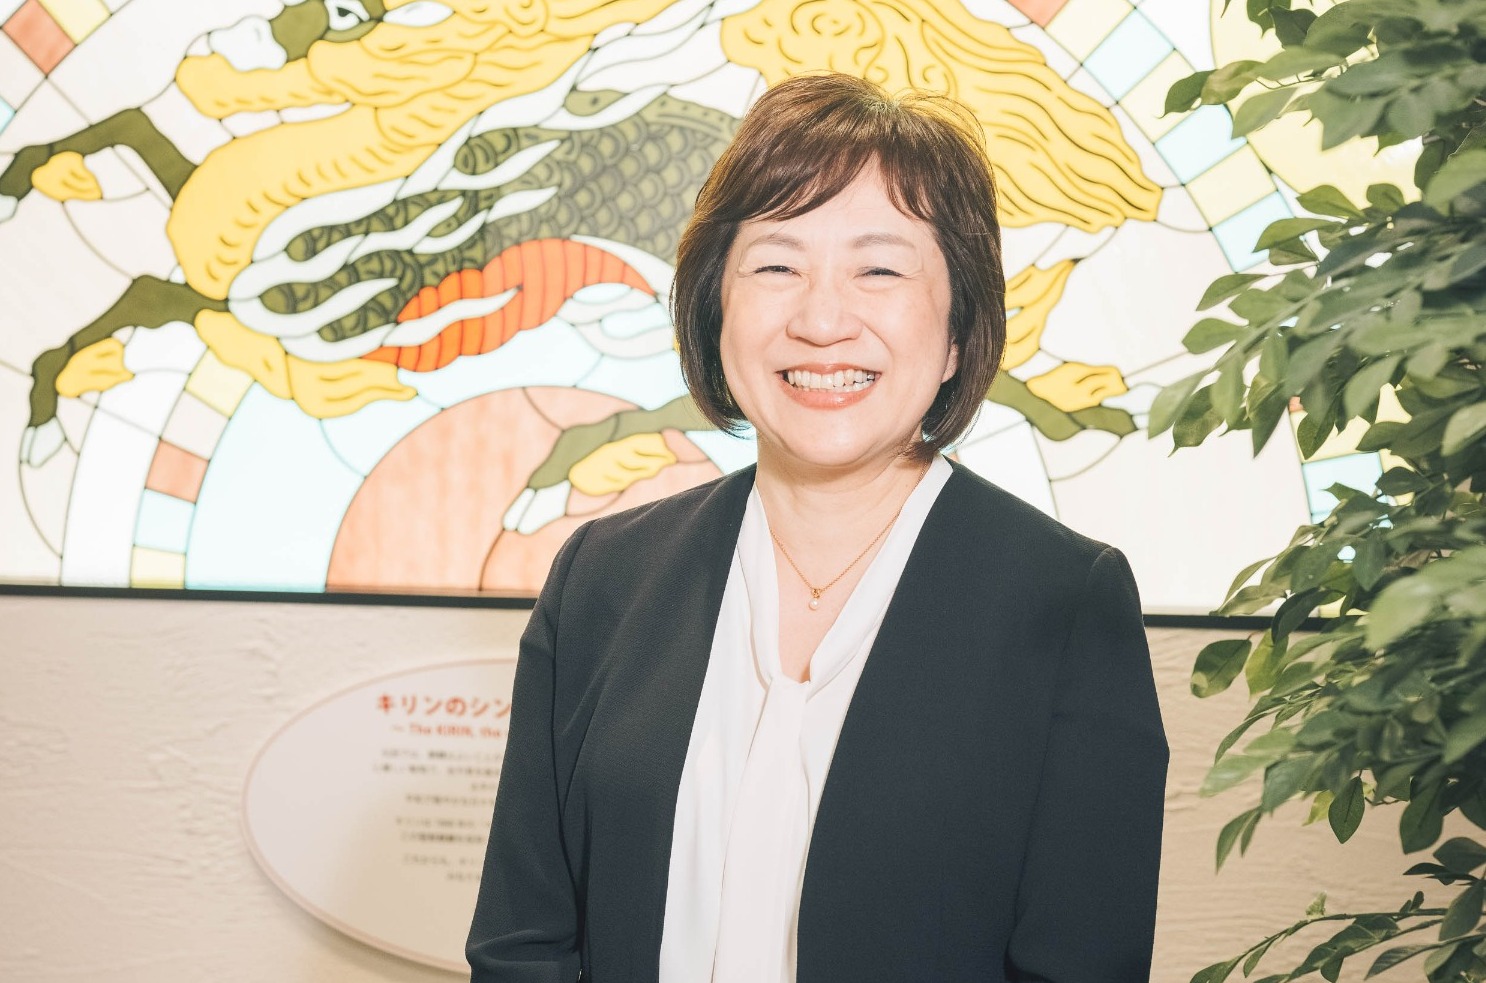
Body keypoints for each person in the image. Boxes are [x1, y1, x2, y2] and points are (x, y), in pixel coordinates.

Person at [466, 72, 1168, 983]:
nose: (823, 319)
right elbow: (522, 945)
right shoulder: (603, 577)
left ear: (958, 332)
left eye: (879, 269)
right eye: (777, 265)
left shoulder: (1064, 603)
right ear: (715, 308)